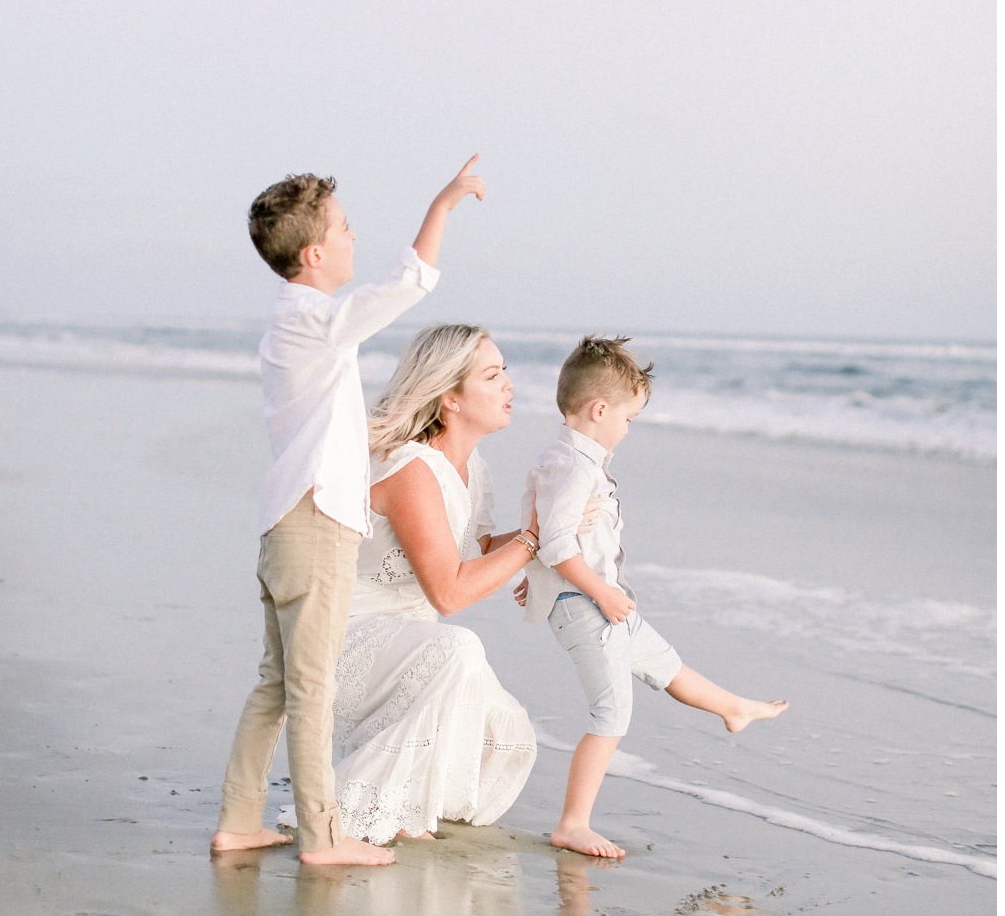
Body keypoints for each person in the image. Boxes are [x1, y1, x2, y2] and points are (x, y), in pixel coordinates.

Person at [210, 156, 485, 868]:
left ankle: (240, 821)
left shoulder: (289, 326)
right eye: (345, 227)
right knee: (311, 686)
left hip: (284, 525)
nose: (355, 238)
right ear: (314, 254)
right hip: (316, 525)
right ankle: (323, 836)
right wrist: (444, 203)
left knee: (277, 683)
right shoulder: (318, 322)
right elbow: (410, 283)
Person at [520, 334, 788, 860]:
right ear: (600, 409)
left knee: (667, 665)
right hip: (587, 604)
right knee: (611, 714)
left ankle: (734, 708)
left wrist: (550, 579)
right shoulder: (572, 466)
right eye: (628, 418)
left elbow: (552, 537)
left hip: (597, 598)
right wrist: (596, 590)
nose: (627, 429)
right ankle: (573, 823)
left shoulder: (573, 459)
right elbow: (552, 541)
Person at [321, 323, 542, 846]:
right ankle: (357, 808)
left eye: (505, 371)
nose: (509, 384)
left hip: (410, 644)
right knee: (460, 647)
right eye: (492, 376)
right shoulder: (411, 469)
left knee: (506, 732)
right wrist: (532, 541)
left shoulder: (472, 468)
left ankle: (404, 798)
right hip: (345, 642)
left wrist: (548, 540)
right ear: (450, 399)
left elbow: (478, 551)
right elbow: (449, 591)